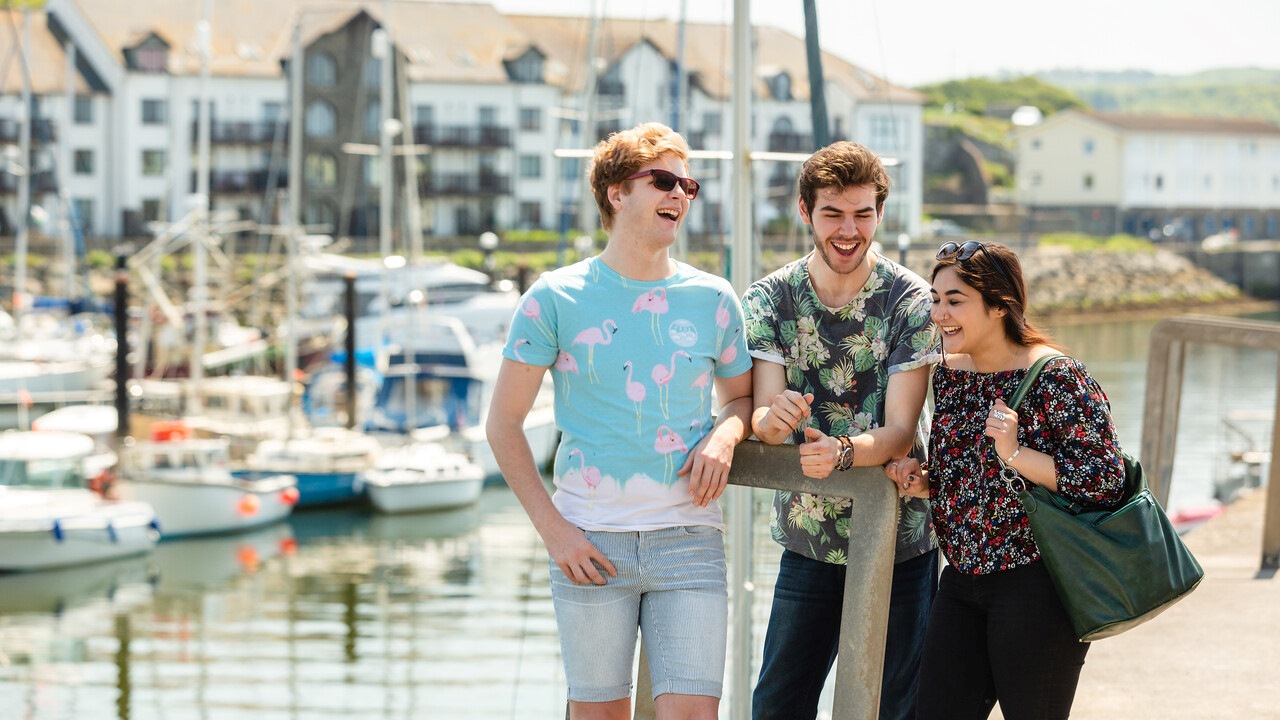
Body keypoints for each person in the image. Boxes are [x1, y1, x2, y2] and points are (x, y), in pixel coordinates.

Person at [485, 122, 754, 720]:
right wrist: (555, 533)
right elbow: (503, 425)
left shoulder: (714, 299)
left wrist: (726, 434)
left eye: (688, 183)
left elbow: (740, 400)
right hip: (588, 540)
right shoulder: (554, 298)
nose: (681, 195)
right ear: (616, 193)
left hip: (689, 538)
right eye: (663, 180)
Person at [743, 141, 941, 720]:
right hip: (808, 536)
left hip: (901, 538)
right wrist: (772, 421)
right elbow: (762, 418)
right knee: (778, 705)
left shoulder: (910, 300)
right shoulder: (769, 298)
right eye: (833, 213)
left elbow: (902, 429)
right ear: (805, 211)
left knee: (892, 709)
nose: (849, 230)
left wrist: (846, 452)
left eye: (862, 213)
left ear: (880, 212)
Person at [886, 240, 1127, 719]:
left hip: (1036, 586)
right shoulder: (950, 374)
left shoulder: (1055, 374)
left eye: (956, 301)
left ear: (1000, 306)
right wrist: (928, 482)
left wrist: (1015, 453)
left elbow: (1105, 478)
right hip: (960, 581)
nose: (940, 314)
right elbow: (975, 477)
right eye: (936, 299)